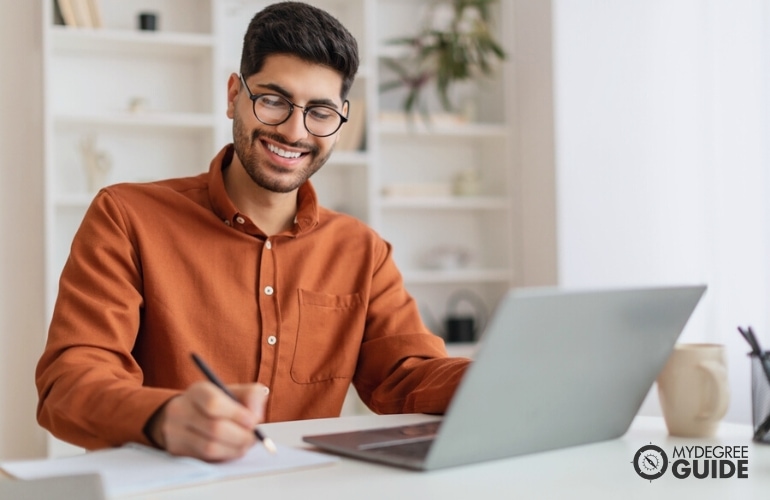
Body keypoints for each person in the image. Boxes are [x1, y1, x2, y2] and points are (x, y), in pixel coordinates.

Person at [35, 1, 470, 462]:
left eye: (320, 111)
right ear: (232, 96)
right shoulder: (125, 216)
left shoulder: (362, 250)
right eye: (273, 101)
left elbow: (406, 376)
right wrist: (163, 416)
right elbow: (70, 383)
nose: (294, 131)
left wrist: (502, 378)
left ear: (341, 118)